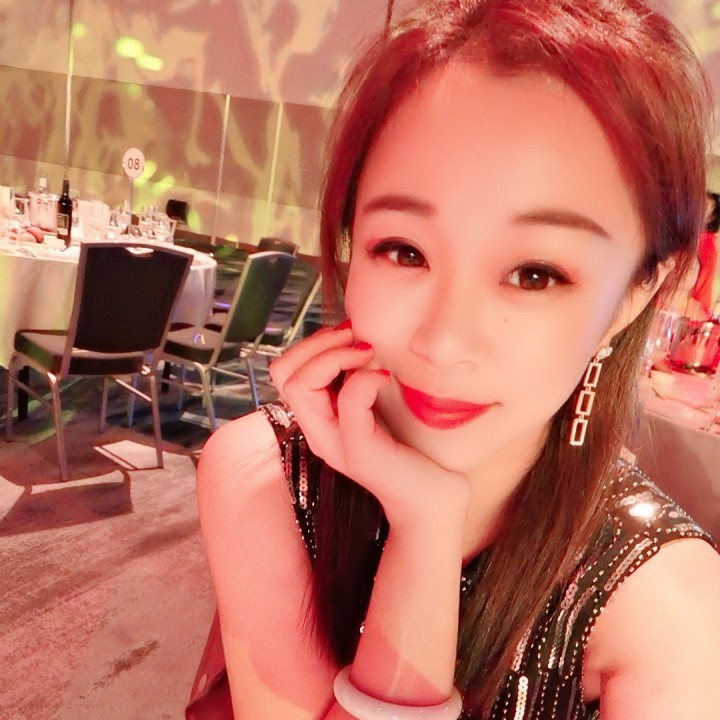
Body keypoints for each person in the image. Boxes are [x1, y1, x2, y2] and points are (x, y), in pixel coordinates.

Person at [189, 1, 720, 718]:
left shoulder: (673, 610)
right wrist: (424, 528)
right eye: (403, 250)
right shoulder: (262, 472)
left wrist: (427, 523)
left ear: (634, 296)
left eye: (535, 273)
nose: (442, 343)